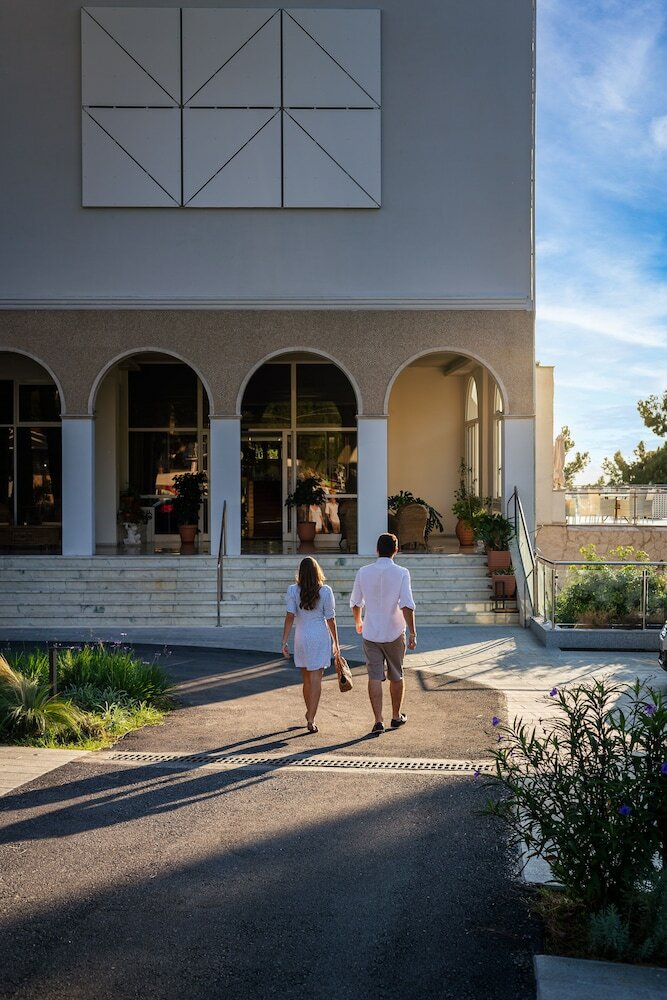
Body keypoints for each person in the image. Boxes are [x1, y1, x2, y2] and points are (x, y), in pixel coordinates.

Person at [350, 532, 416, 735]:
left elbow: (355, 602)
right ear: (396, 550)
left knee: (374, 676)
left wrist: (358, 621)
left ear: (377, 550)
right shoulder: (402, 573)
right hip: (394, 631)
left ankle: (378, 720)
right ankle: (396, 716)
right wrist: (412, 632)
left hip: (371, 631)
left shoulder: (363, 572)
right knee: (396, 674)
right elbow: (406, 605)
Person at [282, 556, 340, 734]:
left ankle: (310, 712)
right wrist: (336, 642)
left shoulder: (293, 590)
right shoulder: (326, 591)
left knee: (306, 679)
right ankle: (311, 718)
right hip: (319, 635)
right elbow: (330, 619)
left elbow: (290, 616)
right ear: (317, 572)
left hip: (301, 636)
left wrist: (284, 641)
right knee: (316, 679)